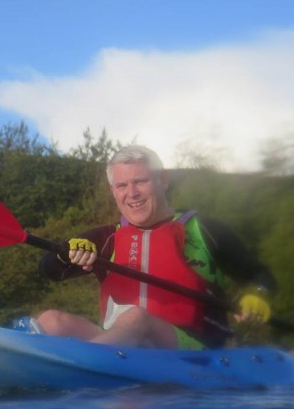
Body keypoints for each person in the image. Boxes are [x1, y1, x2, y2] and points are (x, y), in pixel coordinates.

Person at [36, 145, 276, 350]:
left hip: (195, 347)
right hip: (124, 345)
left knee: (137, 317)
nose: (132, 193)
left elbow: (260, 274)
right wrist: (68, 254)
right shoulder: (106, 238)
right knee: (51, 320)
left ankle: (89, 362)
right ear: (113, 191)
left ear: (162, 180)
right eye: (121, 186)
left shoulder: (204, 230)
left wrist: (258, 294)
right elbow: (49, 269)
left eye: (140, 181)